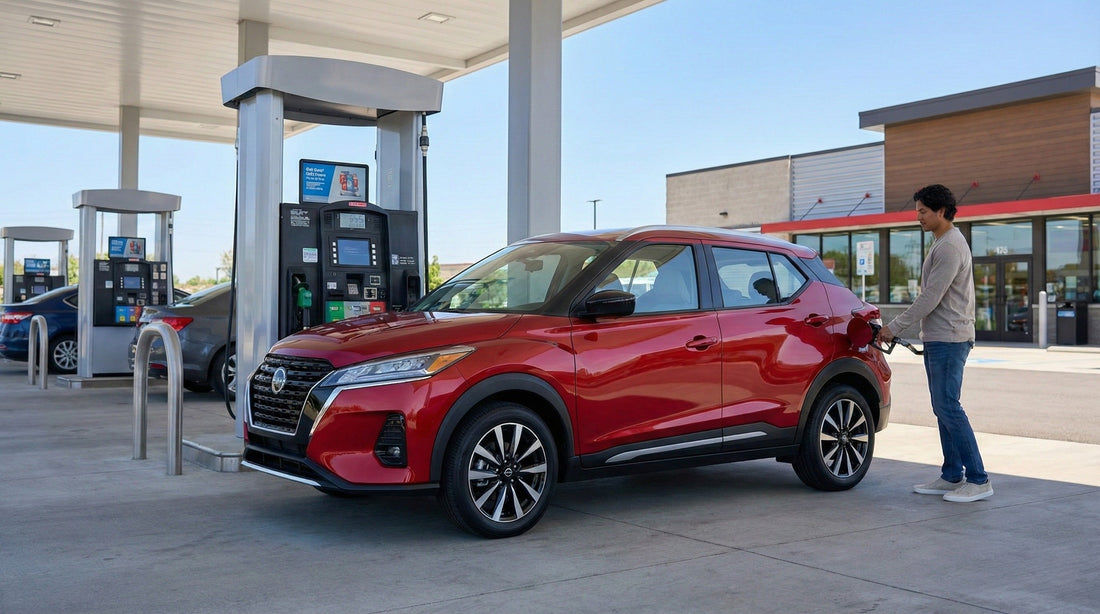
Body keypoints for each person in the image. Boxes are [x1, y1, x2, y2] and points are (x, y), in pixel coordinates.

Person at [879, 184, 992, 503]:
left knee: (948, 407)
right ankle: (952, 475)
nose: (918, 217)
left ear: (941, 211)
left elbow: (931, 296)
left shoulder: (950, 246)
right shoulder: (942, 242)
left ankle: (979, 479)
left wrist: (894, 326)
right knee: (943, 407)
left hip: (950, 338)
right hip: (940, 337)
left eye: (923, 211)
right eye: (917, 211)